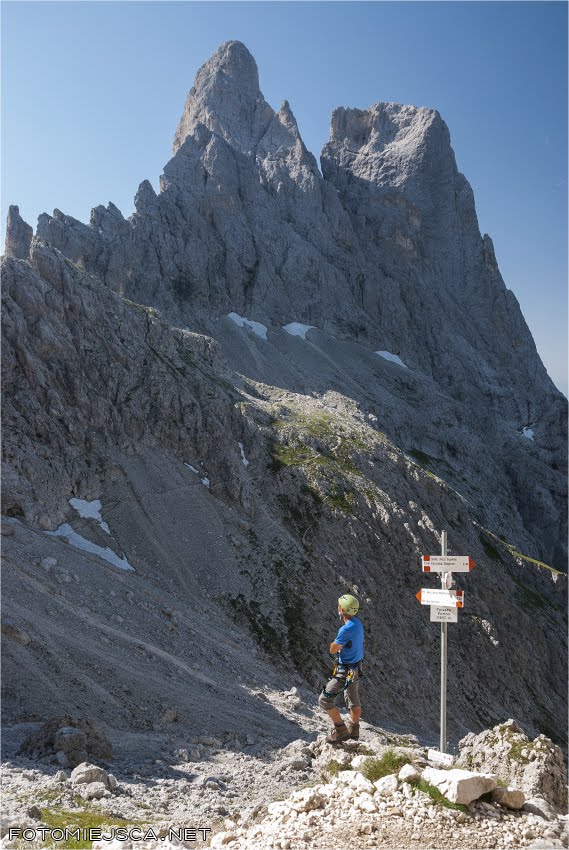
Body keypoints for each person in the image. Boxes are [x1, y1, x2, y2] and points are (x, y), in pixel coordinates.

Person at [318, 593, 364, 744]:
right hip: (355, 669)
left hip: (344, 671)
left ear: (342, 610)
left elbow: (333, 649)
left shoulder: (346, 629)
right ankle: (354, 730)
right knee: (353, 699)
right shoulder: (358, 624)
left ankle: (340, 730)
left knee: (324, 700)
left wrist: (335, 644)